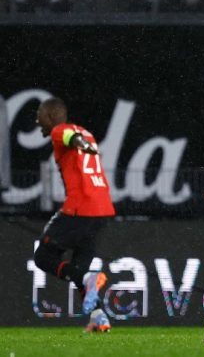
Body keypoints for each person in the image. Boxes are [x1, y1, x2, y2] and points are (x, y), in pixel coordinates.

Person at [33, 97, 115, 332]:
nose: (37, 120)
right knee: (79, 270)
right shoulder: (87, 133)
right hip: (102, 209)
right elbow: (77, 140)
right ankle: (99, 317)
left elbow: (69, 137)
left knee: (43, 257)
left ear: (49, 116)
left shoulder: (60, 130)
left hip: (80, 207)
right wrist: (83, 143)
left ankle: (90, 281)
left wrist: (78, 143)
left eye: (39, 114)